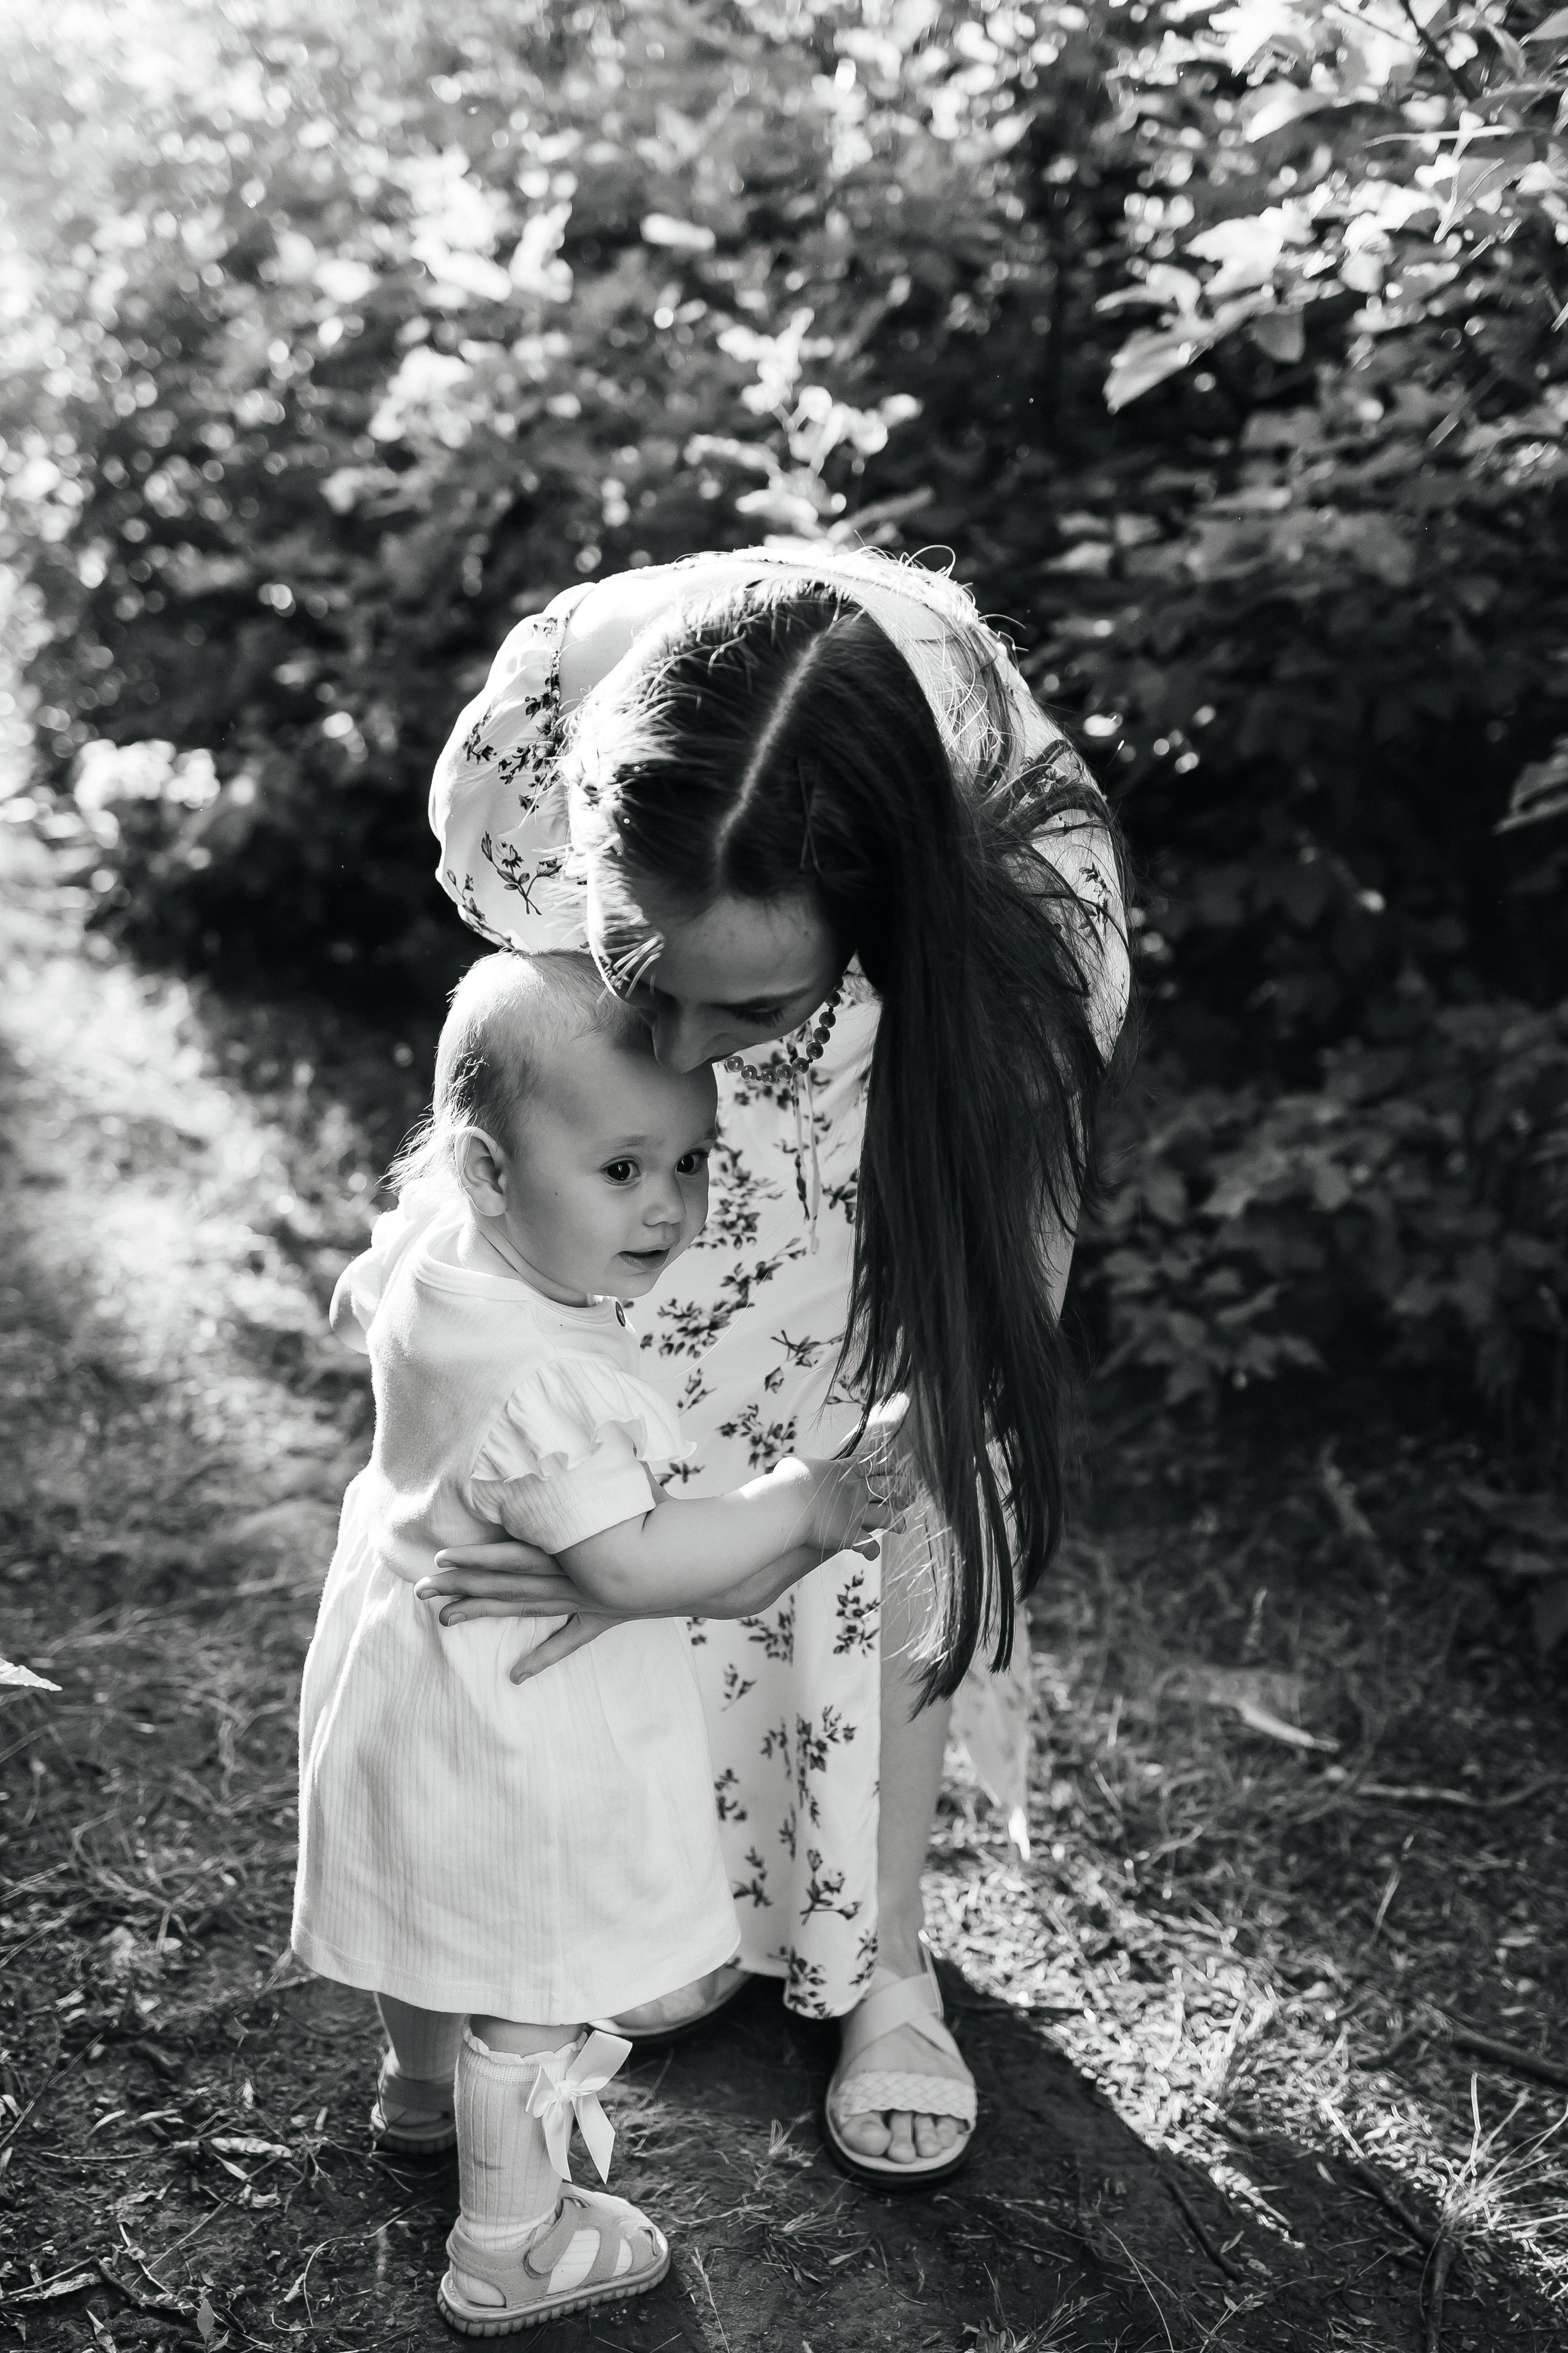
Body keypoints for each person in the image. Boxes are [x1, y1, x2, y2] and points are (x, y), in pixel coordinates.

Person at [419, 542, 1131, 2185]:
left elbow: (989, 1298)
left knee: (869, 1479)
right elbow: (521, 1038)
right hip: (635, 1147)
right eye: (643, 969)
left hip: (887, 1110)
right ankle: (674, 1888)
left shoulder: (1028, 883)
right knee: (652, 1431)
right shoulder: (541, 730)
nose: (685, 1042)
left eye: (740, 1006)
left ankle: (883, 1954)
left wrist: (851, 1490)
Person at [292, 948, 895, 2331]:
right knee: (533, 1957)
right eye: (621, 1169)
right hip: (519, 1708)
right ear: (492, 1170)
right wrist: (805, 1500)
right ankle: (509, 2240)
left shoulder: (439, 1240)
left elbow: (360, 1297)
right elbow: (629, 1562)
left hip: (404, 1653)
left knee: (436, 1900)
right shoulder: (553, 1376)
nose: (667, 1206)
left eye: (689, 1162)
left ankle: (419, 2095)